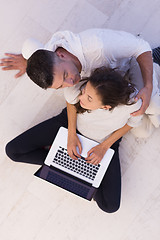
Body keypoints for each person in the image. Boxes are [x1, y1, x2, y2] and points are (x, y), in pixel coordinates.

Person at [6, 67, 143, 213]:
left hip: (104, 141)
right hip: (70, 125)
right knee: (13, 151)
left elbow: (131, 123)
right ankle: (64, 162)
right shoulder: (79, 85)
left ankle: (76, 168)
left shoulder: (132, 104)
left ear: (105, 107)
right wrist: (71, 134)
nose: (81, 98)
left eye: (89, 98)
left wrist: (103, 147)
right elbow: (71, 102)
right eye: (84, 91)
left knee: (110, 206)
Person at [0, 28, 154, 116]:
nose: (71, 82)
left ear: (61, 55)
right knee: (69, 95)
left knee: (146, 104)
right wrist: (28, 62)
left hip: (127, 65)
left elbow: (141, 47)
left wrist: (148, 86)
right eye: (61, 85)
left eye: (66, 75)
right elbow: (30, 47)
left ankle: (157, 63)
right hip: (100, 80)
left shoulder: (99, 46)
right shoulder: (47, 55)